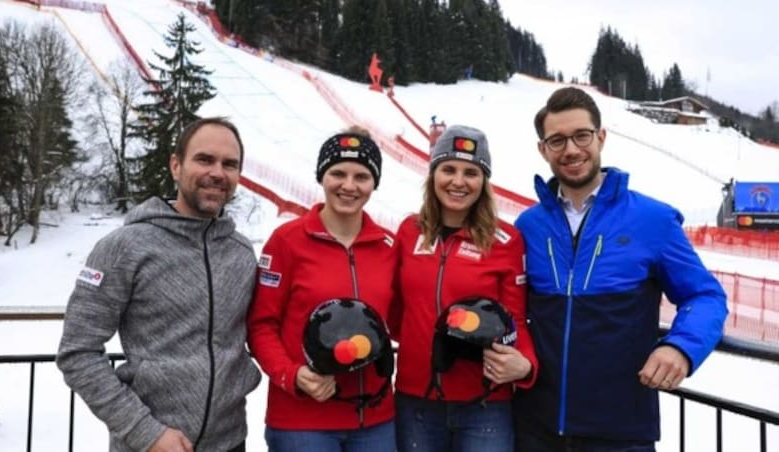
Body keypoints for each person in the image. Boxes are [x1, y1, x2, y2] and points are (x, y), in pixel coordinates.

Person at [513, 87, 729, 451]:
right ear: (543, 149)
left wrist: (680, 347)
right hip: (536, 429)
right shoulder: (528, 226)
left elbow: (705, 295)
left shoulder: (653, 220)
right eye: (557, 140)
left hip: (621, 433)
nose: (571, 149)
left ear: (601, 137)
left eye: (581, 135)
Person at [57, 117, 262, 452]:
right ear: (176, 165)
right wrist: (144, 432)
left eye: (230, 164)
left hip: (230, 442)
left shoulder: (240, 253)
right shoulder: (124, 247)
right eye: (204, 159)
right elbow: (77, 352)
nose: (217, 173)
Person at [247, 127, 396, 451]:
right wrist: (293, 375)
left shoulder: (388, 245)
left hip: (374, 420)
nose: (349, 186)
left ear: (374, 183)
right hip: (303, 422)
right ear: (321, 176)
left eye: (361, 176)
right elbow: (261, 325)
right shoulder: (286, 241)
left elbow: (398, 321)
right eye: (338, 173)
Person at [391, 125, 538, 452]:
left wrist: (525, 364)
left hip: (485, 404)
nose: (458, 181)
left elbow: (515, 318)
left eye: (471, 172)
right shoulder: (409, 232)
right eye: (448, 169)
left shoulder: (506, 241)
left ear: (484, 183)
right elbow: (395, 311)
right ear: (432, 175)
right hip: (416, 402)